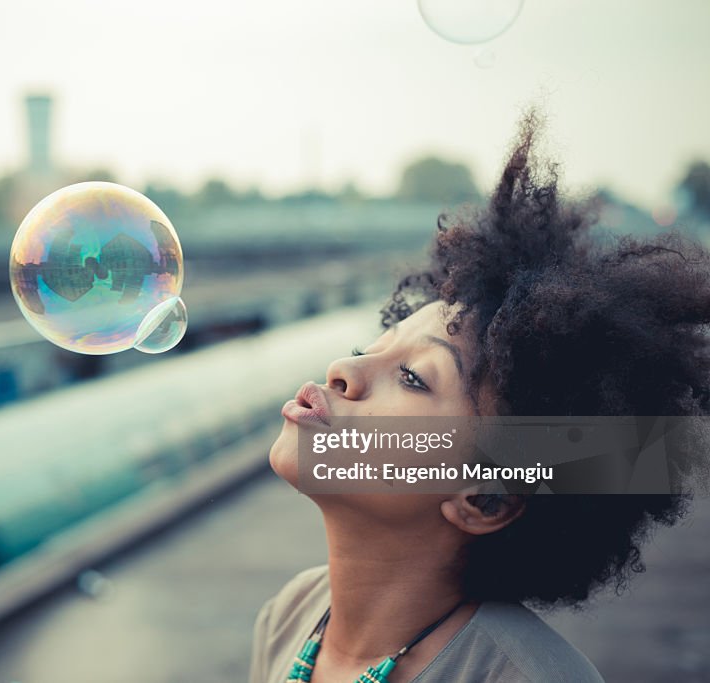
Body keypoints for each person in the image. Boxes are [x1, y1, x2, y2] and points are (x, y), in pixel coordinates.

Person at [249, 109, 708, 683]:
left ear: (485, 499)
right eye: (371, 346)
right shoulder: (290, 615)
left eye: (415, 378)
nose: (345, 369)